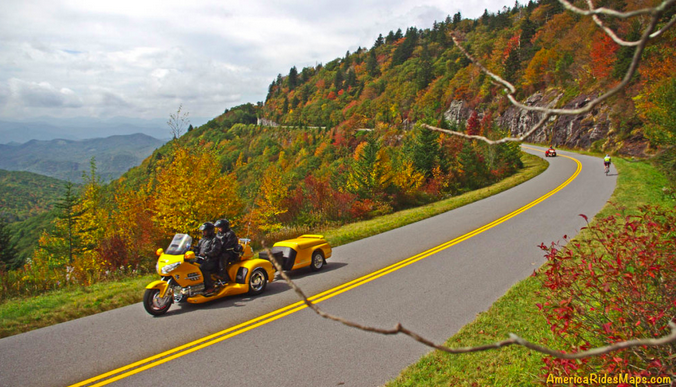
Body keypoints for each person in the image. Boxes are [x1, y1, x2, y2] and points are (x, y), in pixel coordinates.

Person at [192, 222, 222, 294]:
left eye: (204, 231)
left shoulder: (215, 239)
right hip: (202, 259)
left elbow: (215, 251)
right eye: (203, 231)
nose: (203, 233)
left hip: (212, 261)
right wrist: (191, 249)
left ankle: (210, 287)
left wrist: (206, 254)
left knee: (203, 268)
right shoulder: (202, 239)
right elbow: (197, 248)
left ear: (210, 231)